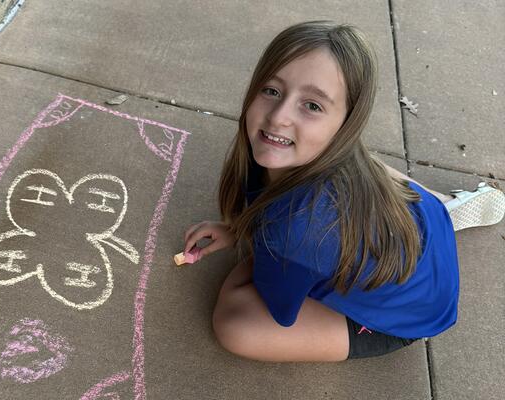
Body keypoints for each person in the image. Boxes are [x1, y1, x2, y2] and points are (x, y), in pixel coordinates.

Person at [182, 21, 505, 361]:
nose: (279, 117)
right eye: (272, 91)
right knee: (361, 163)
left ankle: (440, 210)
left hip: (403, 319)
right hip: (426, 230)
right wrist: (240, 228)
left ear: (346, 122)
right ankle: (444, 205)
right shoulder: (321, 164)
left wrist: (255, 238)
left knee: (235, 322)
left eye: (312, 105)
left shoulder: (296, 233)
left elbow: (278, 309)